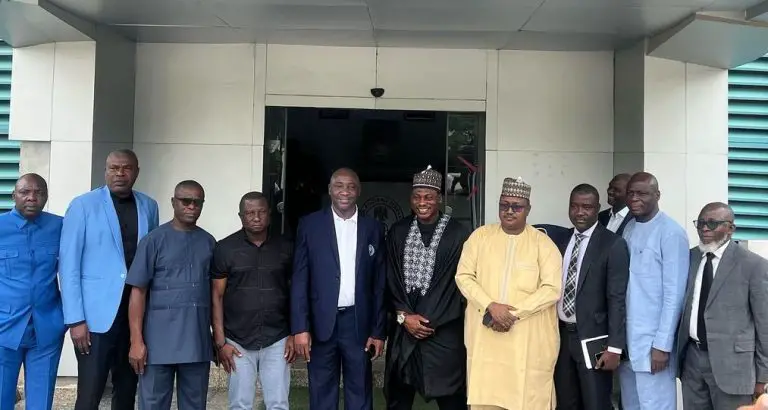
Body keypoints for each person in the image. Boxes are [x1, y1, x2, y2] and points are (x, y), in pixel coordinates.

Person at [59, 149, 159, 410]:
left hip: (135, 314)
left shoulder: (149, 206)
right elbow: (68, 265)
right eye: (114, 168)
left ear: (137, 172)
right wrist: (75, 320)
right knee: (89, 394)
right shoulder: (83, 205)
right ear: (105, 171)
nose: (120, 173)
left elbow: (151, 260)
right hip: (95, 319)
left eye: (126, 168)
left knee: (127, 391)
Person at [455, 176, 563, 410]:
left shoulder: (543, 244)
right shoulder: (480, 237)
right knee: (487, 396)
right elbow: (463, 276)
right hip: (486, 337)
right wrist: (491, 306)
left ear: (528, 209)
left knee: (526, 398)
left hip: (527, 338)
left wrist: (512, 314)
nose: (510, 211)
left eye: (517, 206)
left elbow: (551, 289)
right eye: (504, 205)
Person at [290, 167, 386, 410]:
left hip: (358, 324)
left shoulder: (373, 228)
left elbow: (379, 283)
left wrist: (378, 331)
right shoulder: (310, 225)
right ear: (330, 190)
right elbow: (300, 279)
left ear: (359, 191)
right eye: (339, 186)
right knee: (321, 392)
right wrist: (300, 328)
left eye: (351, 186)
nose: (345, 191)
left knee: (360, 391)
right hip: (321, 324)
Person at [384, 166, 471, 410]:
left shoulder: (458, 233)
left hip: (443, 332)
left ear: (439, 198)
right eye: (417, 197)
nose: (422, 202)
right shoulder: (398, 231)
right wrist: (405, 317)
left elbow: (461, 284)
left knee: (451, 399)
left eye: (429, 197)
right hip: (405, 331)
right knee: (399, 398)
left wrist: (431, 320)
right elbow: (390, 279)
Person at [126, 180, 215, 409]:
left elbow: (216, 295)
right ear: (173, 202)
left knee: (195, 404)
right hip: (157, 345)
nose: (191, 206)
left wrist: (218, 338)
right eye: (186, 201)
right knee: (153, 404)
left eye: (197, 202)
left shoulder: (208, 242)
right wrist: (136, 341)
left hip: (196, 342)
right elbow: (138, 292)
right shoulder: (153, 241)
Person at [676, 202, 768, 409]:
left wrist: (763, 376)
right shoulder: (690, 257)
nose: (704, 228)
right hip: (692, 359)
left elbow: (765, 325)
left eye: (712, 223)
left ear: (730, 228)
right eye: (700, 223)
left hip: (734, 367)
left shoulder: (754, 265)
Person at [212, 191, 296, 410]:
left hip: (278, 338)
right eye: (250, 213)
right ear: (241, 216)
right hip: (237, 340)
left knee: (278, 403)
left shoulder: (286, 247)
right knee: (240, 404)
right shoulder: (225, 248)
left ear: (269, 214)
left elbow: (295, 293)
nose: (256, 217)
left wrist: (294, 333)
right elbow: (217, 296)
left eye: (261, 212)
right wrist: (220, 342)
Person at [553, 184, 629, 410]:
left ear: (598, 208)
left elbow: (617, 299)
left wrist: (615, 347)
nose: (580, 212)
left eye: (586, 207)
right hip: (561, 337)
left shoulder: (612, 244)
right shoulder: (560, 240)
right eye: (574, 206)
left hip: (595, 340)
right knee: (565, 402)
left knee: (596, 402)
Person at [618, 172, 688, 410]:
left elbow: (674, 294)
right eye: (631, 193)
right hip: (628, 343)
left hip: (653, 345)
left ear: (657, 195)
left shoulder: (670, 232)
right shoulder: (629, 228)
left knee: (655, 405)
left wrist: (662, 345)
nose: (634, 198)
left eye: (642, 193)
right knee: (631, 404)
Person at [0, 174, 65, 410]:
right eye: (25, 192)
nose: (32, 197)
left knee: (41, 401)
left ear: (46, 197)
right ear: (13, 196)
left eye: (39, 193)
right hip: (4, 326)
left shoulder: (60, 226)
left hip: (46, 327)